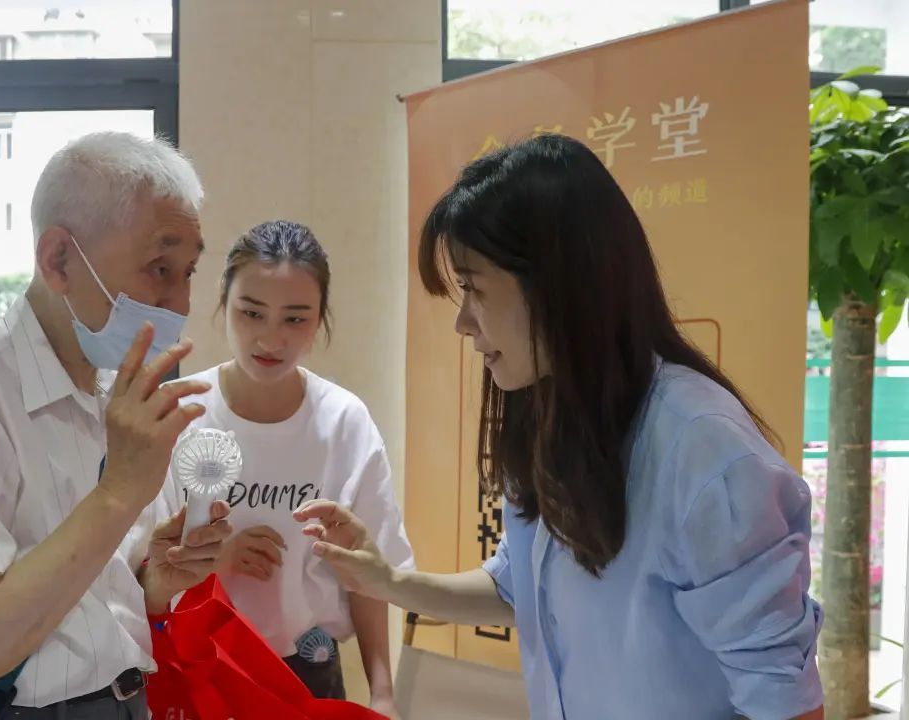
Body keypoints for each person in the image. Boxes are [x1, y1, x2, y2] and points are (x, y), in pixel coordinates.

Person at [294, 134, 825, 720]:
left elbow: (786, 704)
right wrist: (389, 582)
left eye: (473, 289)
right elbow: (519, 586)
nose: (463, 323)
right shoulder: (556, 416)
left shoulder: (704, 452)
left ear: (554, 288)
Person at [0, 132, 232, 720]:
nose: (179, 303)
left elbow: (85, 608)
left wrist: (153, 582)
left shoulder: (114, 394)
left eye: (188, 272)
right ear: (59, 260)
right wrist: (119, 494)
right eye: (160, 268)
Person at [154, 220, 412, 718]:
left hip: (308, 673)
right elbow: (142, 568)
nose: (270, 339)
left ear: (320, 320)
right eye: (252, 312)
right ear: (223, 302)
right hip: (199, 665)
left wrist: (382, 692)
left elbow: (368, 573)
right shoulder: (182, 413)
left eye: (294, 319)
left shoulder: (343, 422)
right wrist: (216, 559)